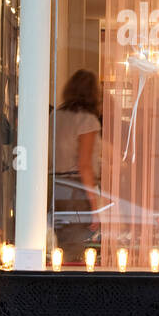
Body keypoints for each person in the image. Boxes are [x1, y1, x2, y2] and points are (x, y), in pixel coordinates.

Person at [51, 69, 102, 264]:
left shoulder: (55, 116)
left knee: (62, 245)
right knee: (77, 250)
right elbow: (85, 165)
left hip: (56, 185)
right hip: (76, 190)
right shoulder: (86, 120)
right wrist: (94, 205)